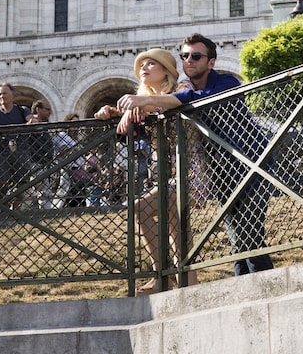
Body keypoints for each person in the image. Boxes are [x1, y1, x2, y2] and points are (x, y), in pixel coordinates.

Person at [118, 33, 275, 276]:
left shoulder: (226, 82)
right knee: (236, 238)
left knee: (249, 234)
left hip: (252, 163)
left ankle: (264, 286)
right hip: (222, 170)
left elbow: (199, 99)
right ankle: (243, 286)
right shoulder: (185, 89)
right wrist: (126, 111)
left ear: (210, 62)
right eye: (185, 56)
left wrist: (146, 99)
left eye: (196, 56)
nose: (189, 60)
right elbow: (161, 111)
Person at [95, 48, 196, 293]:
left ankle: (162, 276)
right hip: (166, 174)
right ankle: (189, 284)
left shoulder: (181, 89)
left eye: (152, 63)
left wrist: (143, 104)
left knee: (141, 209)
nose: (144, 68)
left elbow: (172, 105)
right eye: (142, 64)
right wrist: (109, 110)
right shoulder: (143, 100)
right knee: (177, 226)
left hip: (191, 171)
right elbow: (130, 113)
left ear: (166, 71)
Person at [27, 99, 55, 209]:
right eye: (47, 109)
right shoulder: (32, 125)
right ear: (38, 110)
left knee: (42, 195)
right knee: (43, 195)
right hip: (34, 164)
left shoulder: (43, 126)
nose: (50, 112)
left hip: (44, 165)